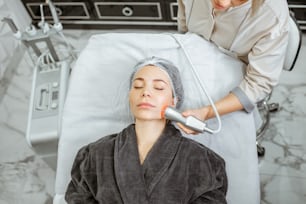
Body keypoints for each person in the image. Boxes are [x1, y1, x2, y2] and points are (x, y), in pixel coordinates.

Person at [65, 56, 228, 204]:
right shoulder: (93, 155)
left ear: (174, 101)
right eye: (137, 86)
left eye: (158, 87)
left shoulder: (204, 162)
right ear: (130, 96)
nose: (145, 93)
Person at [176, 0, 289, 134]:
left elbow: (258, 83)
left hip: (237, 81)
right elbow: (183, 29)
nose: (222, 3)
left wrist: (208, 112)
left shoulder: (272, 15)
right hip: (192, 65)